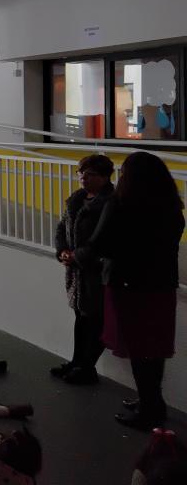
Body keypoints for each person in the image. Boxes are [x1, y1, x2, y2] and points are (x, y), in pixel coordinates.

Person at [77, 151, 185, 429]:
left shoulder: (121, 204)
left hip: (129, 286)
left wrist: (78, 256)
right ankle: (153, 401)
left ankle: (149, 409)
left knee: (138, 349)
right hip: (161, 286)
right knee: (155, 348)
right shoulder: (172, 207)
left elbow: (100, 243)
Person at [52, 154, 115, 385]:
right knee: (80, 317)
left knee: (95, 321)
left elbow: (103, 239)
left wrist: (76, 256)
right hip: (77, 272)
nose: (83, 178)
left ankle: (87, 367)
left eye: (90, 174)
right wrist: (62, 251)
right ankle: (76, 362)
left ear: (105, 177)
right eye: (81, 173)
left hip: (97, 271)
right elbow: (62, 227)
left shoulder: (110, 202)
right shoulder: (77, 199)